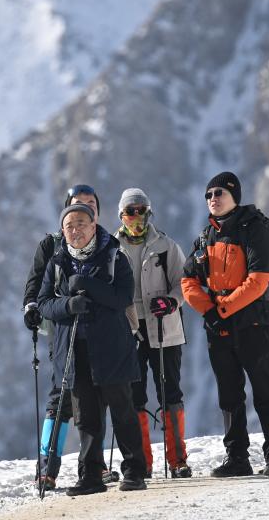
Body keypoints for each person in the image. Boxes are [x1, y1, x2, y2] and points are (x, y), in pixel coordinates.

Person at [33, 202, 147, 495]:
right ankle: (90, 476)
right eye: (69, 226)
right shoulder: (57, 262)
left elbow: (123, 297)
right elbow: (44, 303)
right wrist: (68, 305)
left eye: (81, 224)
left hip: (111, 347)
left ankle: (134, 471)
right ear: (63, 231)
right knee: (86, 416)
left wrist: (88, 286)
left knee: (122, 410)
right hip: (73, 350)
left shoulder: (114, 256)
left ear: (94, 225)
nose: (75, 231)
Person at [181, 171, 269, 477]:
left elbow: (258, 280)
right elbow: (188, 280)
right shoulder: (206, 236)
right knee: (229, 394)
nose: (212, 198)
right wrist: (209, 312)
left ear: (234, 196)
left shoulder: (256, 228)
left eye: (219, 193)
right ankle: (237, 458)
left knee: (265, 391)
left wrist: (221, 310)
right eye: (208, 194)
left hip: (253, 324)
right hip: (219, 327)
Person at [23, 185, 115, 489]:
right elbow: (35, 284)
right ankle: (47, 467)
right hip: (62, 330)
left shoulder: (106, 244)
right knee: (61, 395)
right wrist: (31, 307)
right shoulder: (51, 245)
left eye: (91, 203)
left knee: (96, 396)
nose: (86, 207)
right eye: (78, 203)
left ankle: (94, 466)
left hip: (98, 333)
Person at [114, 187, 192, 478]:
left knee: (170, 392)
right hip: (128, 329)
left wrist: (172, 301)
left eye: (141, 210)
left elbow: (183, 282)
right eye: (130, 211)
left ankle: (178, 460)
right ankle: (141, 462)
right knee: (133, 396)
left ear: (149, 212)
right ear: (121, 215)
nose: (136, 216)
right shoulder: (110, 248)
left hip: (163, 327)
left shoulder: (166, 246)